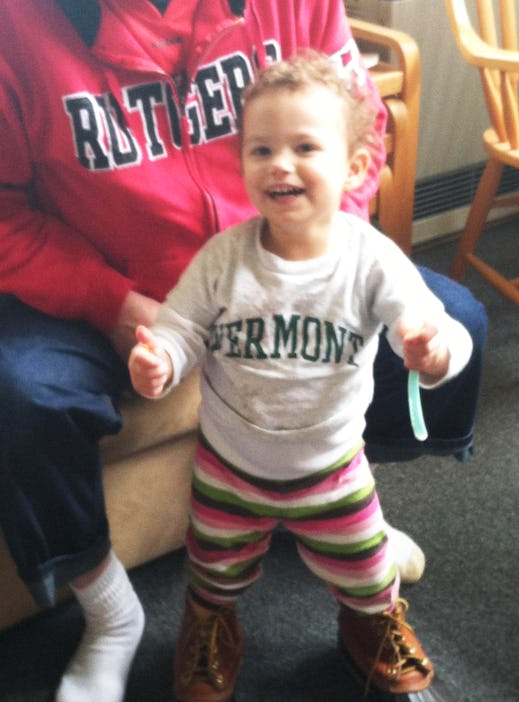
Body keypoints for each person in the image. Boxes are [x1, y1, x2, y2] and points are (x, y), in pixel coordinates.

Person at [0, 2, 486, 701]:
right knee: (23, 395)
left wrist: (323, 260)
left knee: (458, 314)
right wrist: (111, 303)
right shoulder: (19, 26)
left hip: (285, 249)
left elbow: (362, 126)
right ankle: (111, 613)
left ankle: (340, 517)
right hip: (121, 285)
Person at [128, 52, 473, 701]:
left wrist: (436, 353)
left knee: (368, 571)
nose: (279, 164)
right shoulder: (223, 259)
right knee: (212, 570)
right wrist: (162, 360)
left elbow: (438, 328)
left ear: (356, 165)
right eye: (261, 150)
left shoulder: (370, 259)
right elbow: (179, 325)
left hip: (334, 468)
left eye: (305, 147)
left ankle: (368, 626)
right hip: (230, 467)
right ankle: (210, 626)